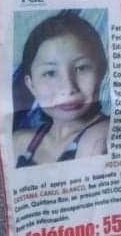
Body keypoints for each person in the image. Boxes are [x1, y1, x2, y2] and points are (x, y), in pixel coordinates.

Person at [13, 12, 110, 167]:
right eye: (50, 73)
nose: (68, 88)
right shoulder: (18, 142)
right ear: (31, 85)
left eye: (81, 68)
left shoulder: (102, 137)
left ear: (102, 71)